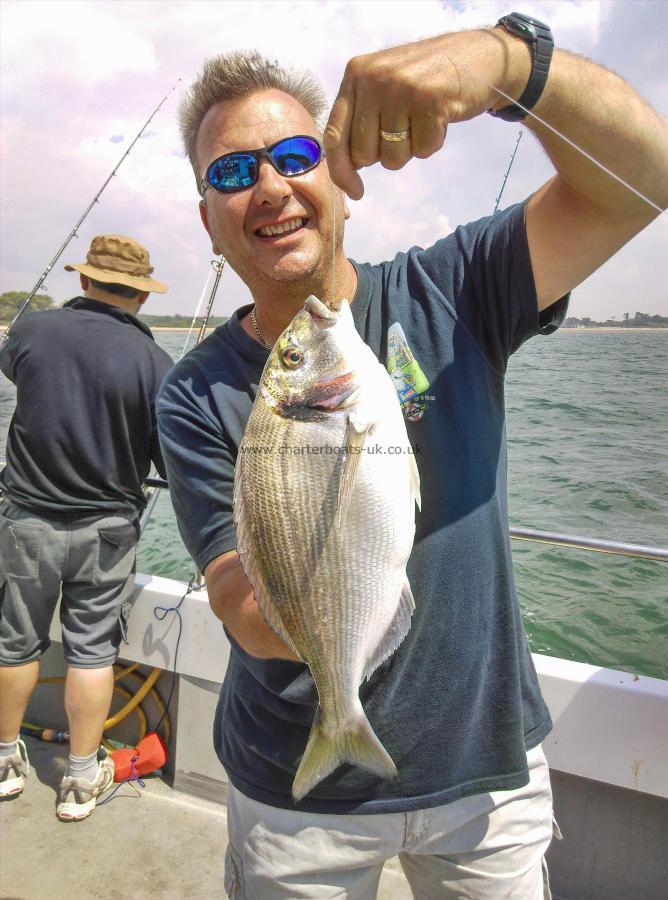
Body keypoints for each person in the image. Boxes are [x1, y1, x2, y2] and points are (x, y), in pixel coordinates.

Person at [156, 14, 667, 898]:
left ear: (341, 180)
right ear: (209, 220)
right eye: (233, 174)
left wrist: (514, 64)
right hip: (293, 794)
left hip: (487, 774)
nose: (270, 186)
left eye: (296, 155)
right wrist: (311, 574)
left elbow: (642, 184)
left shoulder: (452, 288)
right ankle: (340, 720)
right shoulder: (193, 392)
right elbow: (238, 604)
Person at [0, 234, 172, 821]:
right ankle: (78, 781)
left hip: (27, 521)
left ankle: (3, 763)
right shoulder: (156, 363)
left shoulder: (32, 331)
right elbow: (166, 463)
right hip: (108, 531)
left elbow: (20, 371)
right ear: (143, 297)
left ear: (83, 280)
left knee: (15, 641)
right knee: (92, 652)